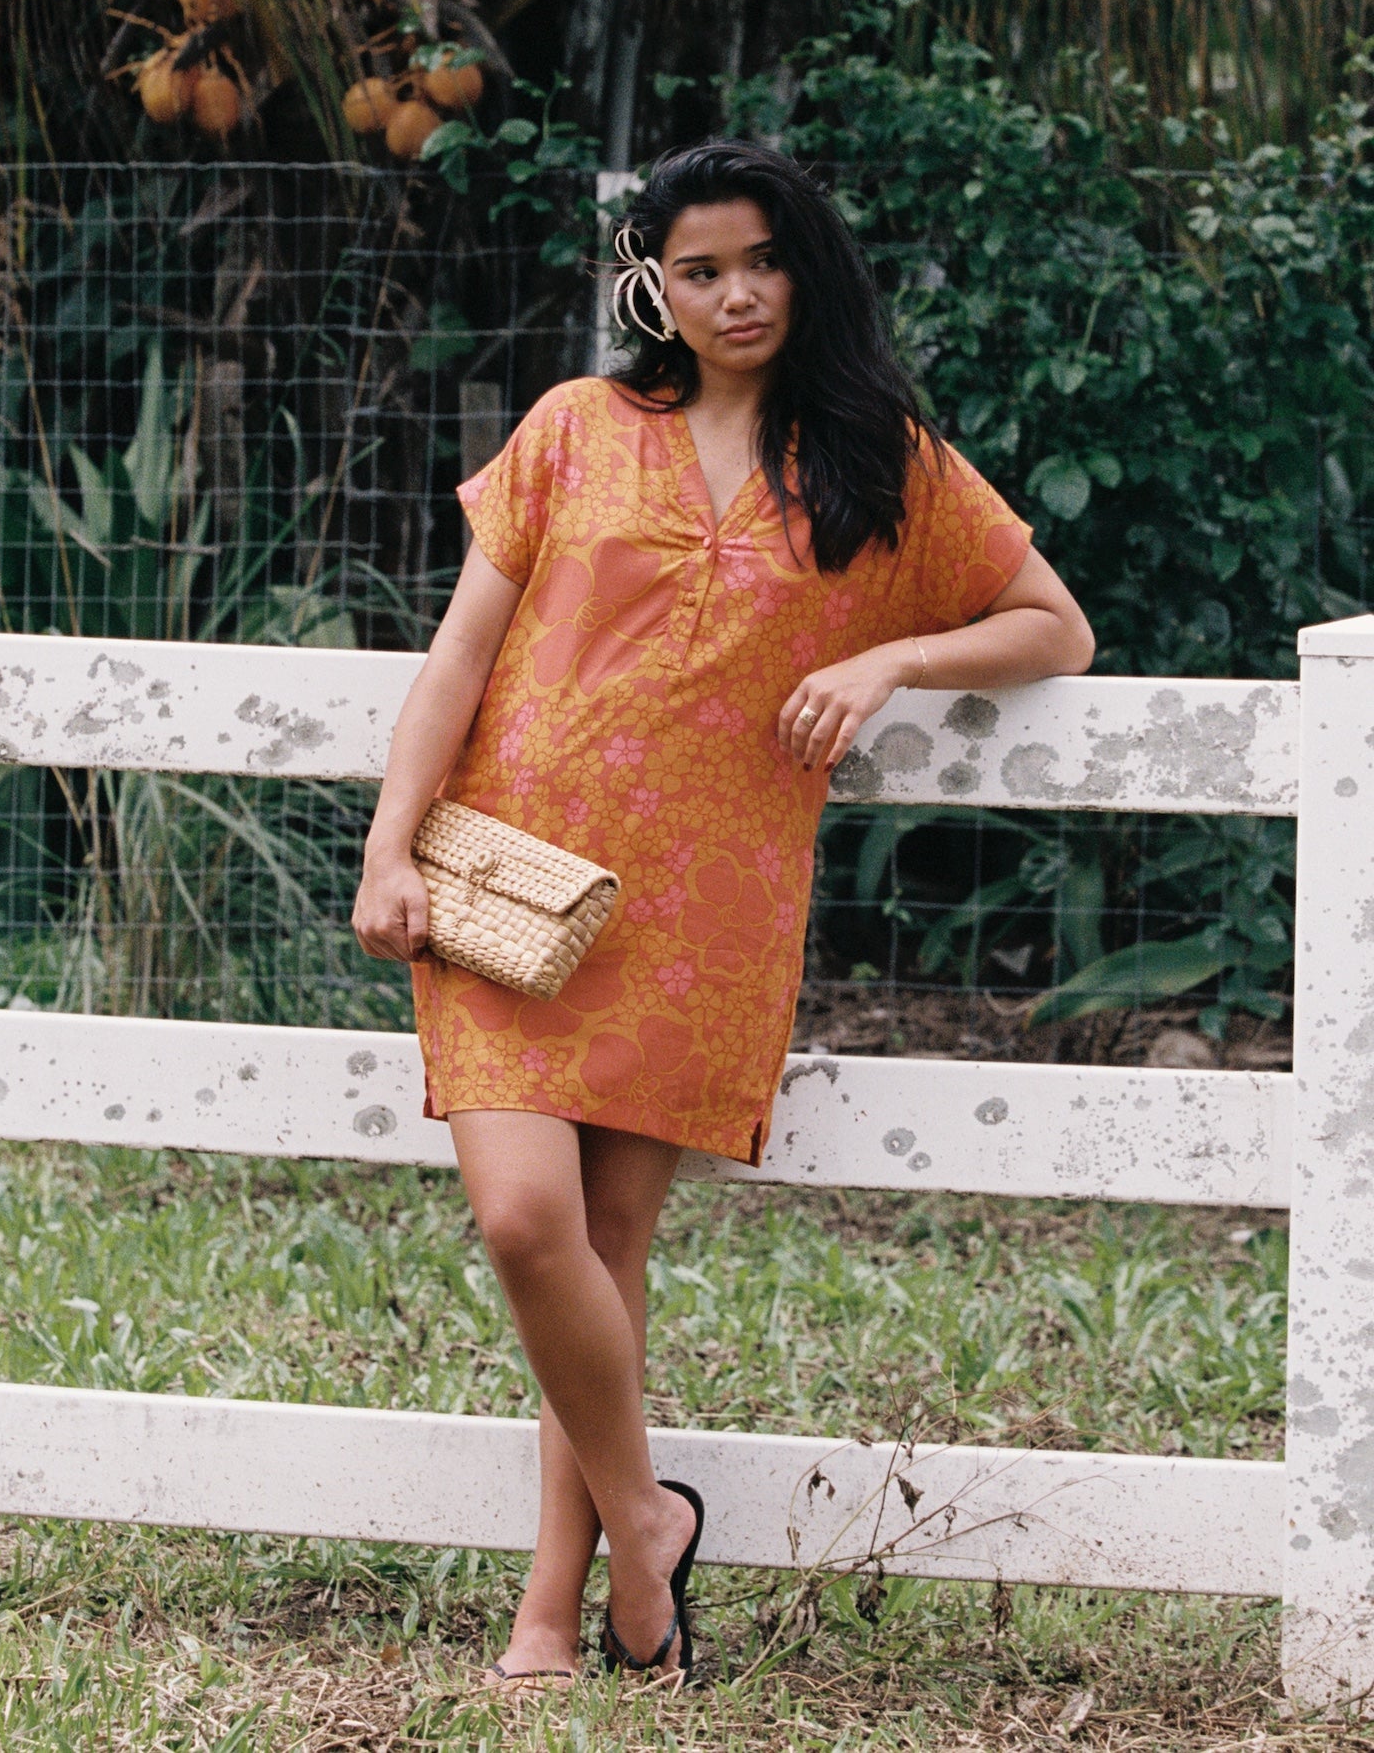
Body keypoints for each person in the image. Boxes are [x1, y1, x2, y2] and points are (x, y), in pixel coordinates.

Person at [351, 140, 1093, 1690]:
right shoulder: (572, 430)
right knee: (524, 1223)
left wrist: (891, 661)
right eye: (700, 269)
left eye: (762, 260)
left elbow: (1052, 626)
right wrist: (390, 846)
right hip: (509, 879)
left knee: (607, 1252)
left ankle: (560, 1617)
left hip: (707, 905)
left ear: (804, 267)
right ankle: (652, 1521)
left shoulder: (878, 461)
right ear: (655, 285)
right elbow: (459, 658)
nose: (737, 292)